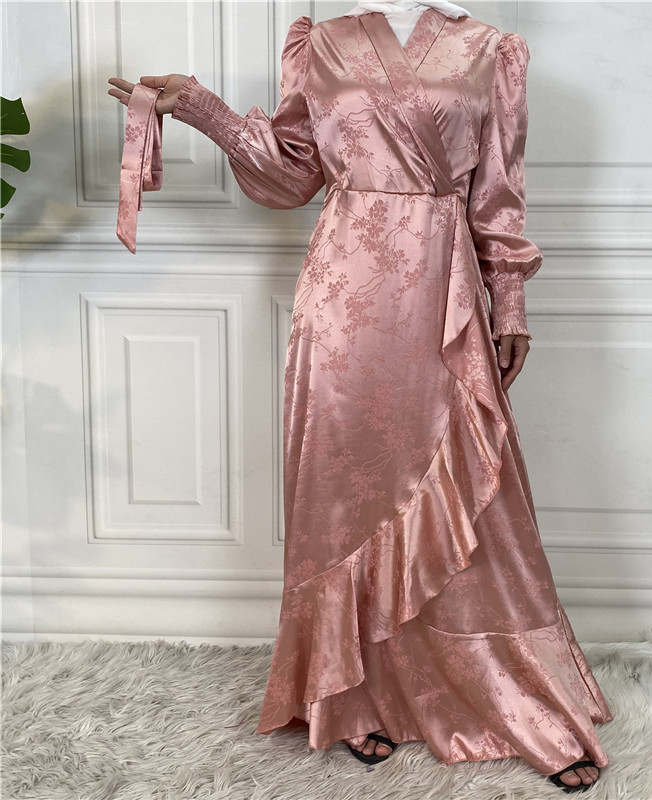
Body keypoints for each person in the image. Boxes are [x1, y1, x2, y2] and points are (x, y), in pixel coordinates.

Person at [109, 0, 613, 792]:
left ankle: (512, 695)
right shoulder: (321, 43)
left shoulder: (491, 51)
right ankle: (352, 697)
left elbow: (497, 194)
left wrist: (509, 299)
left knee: (471, 496)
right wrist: (204, 109)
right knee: (346, 503)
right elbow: (291, 176)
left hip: (441, 297)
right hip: (343, 303)